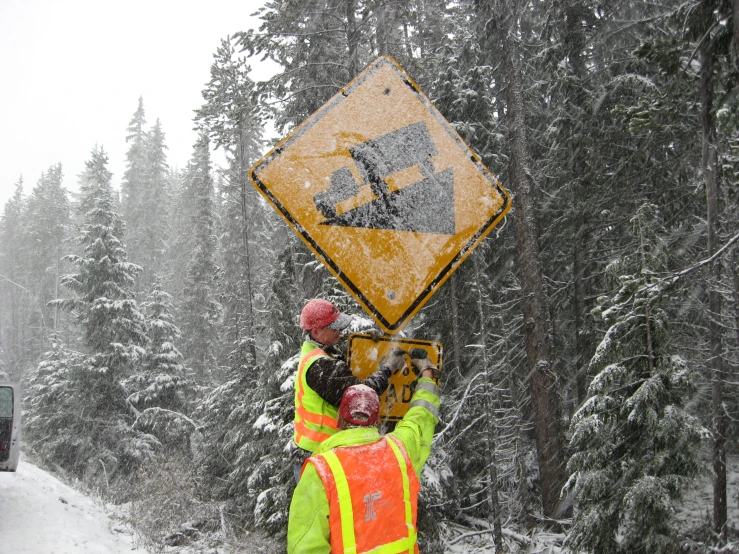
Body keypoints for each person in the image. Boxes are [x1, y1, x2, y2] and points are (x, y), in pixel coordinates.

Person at [287, 355, 441, 553]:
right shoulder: (401, 450)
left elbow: (304, 547)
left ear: (338, 421)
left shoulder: (320, 473)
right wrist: (427, 375)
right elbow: (422, 416)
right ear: (376, 422)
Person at [292, 299, 403, 481]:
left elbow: (339, 356)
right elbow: (360, 396)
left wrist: (365, 343)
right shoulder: (319, 366)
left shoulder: (321, 354)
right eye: (334, 327)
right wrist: (388, 369)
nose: (340, 331)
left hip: (324, 455)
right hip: (319, 461)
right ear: (316, 332)